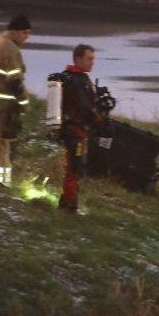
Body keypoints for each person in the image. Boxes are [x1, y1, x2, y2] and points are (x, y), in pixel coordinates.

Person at [56, 44, 108, 212]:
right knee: (74, 169)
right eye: (89, 59)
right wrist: (100, 115)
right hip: (75, 131)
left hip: (75, 130)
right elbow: (86, 108)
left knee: (74, 168)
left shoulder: (75, 78)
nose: (92, 63)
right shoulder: (77, 81)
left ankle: (67, 202)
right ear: (78, 59)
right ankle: (69, 206)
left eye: (93, 59)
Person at [0, 15, 31, 186]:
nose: (27, 37)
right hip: (4, 104)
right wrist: (23, 102)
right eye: (25, 33)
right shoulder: (11, 49)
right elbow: (15, 81)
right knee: (2, 143)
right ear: (16, 31)